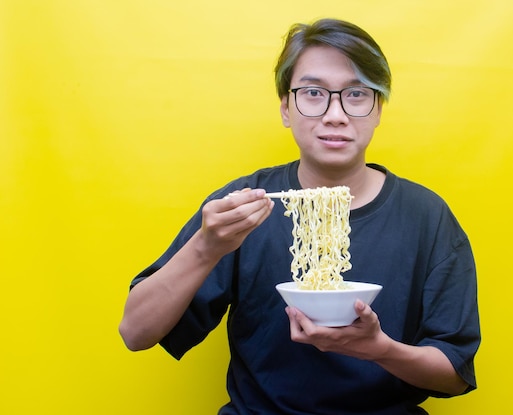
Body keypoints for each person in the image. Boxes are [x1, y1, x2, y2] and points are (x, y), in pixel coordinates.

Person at [119, 18, 480, 415]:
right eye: (313, 93)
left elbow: (454, 373)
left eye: (356, 94)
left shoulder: (426, 216)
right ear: (286, 108)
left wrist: (381, 350)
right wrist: (206, 247)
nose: (335, 114)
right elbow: (135, 333)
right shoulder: (242, 208)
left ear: (378, 110)